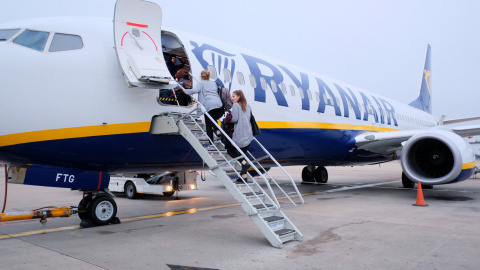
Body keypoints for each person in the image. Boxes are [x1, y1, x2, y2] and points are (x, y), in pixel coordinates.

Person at [183, 70, 223, 148]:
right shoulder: (214, 83)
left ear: (201, 77)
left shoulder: (201, 83)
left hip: (209, 104)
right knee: (213, 119)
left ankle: (211, 143)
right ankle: (218, 130)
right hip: (218, 104)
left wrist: (185, 91)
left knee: (208, 124)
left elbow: (194, 91)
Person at [225, 90, 254, 183]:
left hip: (240, 134)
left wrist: (227, 117)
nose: (232, 98)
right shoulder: (248, 106)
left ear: (238, 97)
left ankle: (244, 163)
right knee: (242, 155)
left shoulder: (236, 106)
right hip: (248, 134)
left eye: (233, 96)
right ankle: (244, 177)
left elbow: (235, 119)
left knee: (229, 150)